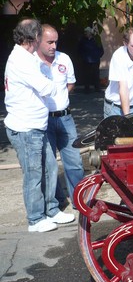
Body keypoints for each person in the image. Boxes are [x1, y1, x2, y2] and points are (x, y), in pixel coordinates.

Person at [3, 19, 75, 232]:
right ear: (34, 38)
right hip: (26, 127)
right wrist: (53, 84)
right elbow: (47, 88)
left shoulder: (25, 57)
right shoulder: (21, 61)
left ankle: (51, 209)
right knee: (34, 174)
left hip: (36, 125)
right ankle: (35, 219)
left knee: (50, 167)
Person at [37, 24, 85, 209]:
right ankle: (55, 205)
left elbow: (70, 83)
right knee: (49, 165)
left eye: (56, 42)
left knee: (74, 162)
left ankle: (79, 201)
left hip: (65, 118)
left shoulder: (64, 59)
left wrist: (60, 99)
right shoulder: (33, 62)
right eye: (49, 42)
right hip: (44, 120)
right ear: (39, 41)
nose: (53, 46)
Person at [78, 25, 104, 93]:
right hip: (86, 60)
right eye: (85, 32)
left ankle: (97, 88)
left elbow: (101, 49)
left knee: (96, 74)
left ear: (90, 33)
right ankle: (87, 89)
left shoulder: (96, 40)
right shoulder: (83, 40)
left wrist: (98, 56)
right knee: (86, 75)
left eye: (86, 32)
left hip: (95, 60)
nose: (85, 33)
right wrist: (83, 57)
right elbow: (79, 50)